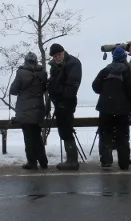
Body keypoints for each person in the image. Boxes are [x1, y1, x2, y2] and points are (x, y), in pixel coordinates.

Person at [92, 46, 131, 170]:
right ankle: (123, 163)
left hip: (105, 108)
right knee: (122, 136)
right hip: (122, 110)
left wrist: (105, 92)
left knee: (105, 134)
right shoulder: (127, 72)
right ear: (124, 58)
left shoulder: (105, 71)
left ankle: (106, 160)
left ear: (113, 58)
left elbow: (95, 86)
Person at [9, 51, 49, 170]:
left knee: (28, 137)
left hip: (25, 109)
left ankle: (32, 162)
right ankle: (43, 161)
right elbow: (44, 89)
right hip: (38, 108)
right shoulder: (43, 73)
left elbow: (13, 90)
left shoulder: (21, 72)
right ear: (36, 61)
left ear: (26, 61)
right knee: (36, 135)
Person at [47, 43, 83, 171]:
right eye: (54, 56)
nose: (56, 57)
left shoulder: (73, 63)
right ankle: (71, 159)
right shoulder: (55, 66)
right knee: (63, 130)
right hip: (58, 101)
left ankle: (72, 160)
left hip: (66, 102)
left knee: (66, 130)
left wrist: (63, 100)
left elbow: (72, 85)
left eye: (58, 54)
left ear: (63, 52)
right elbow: (54, 82)